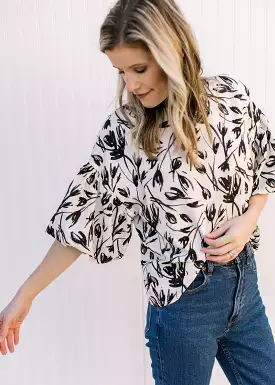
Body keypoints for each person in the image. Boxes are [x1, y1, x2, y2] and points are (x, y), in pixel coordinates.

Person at [1, 0, 275, 383]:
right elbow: (81, 220)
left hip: (245, 291)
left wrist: (250, 218)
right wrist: (24, 295)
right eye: (121, 71)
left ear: (173, 51)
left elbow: (265, 158)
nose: (130, 84)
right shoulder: (125, 131)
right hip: (182, 307)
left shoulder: (231, 98)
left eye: (139, 68)